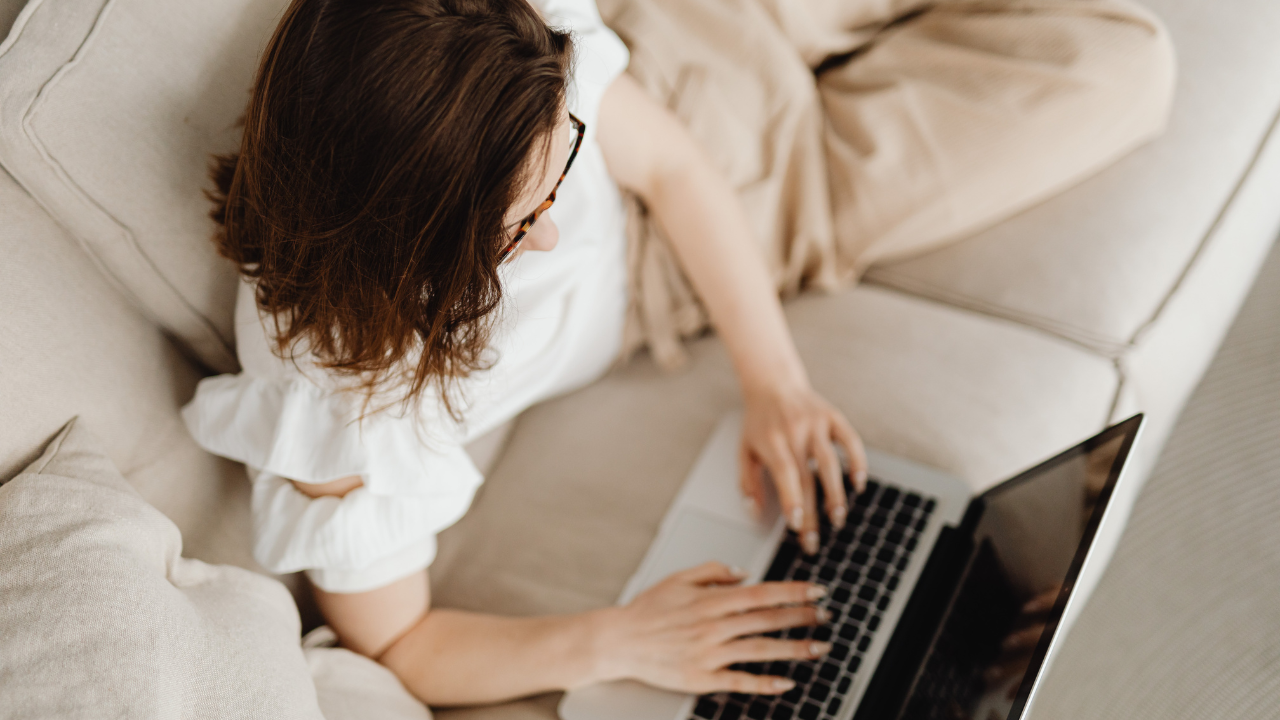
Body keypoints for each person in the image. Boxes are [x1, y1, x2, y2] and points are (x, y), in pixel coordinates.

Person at [182, 0, 868, 706]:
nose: (551, 236)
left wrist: (777, 383)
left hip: (679, 95)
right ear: (420, 253)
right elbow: (397, 643)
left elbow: (669, 166)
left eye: (564, 153)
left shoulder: (504, 47)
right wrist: (625, 639)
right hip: (662, 269)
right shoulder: (334, 400)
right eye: (518, 228)